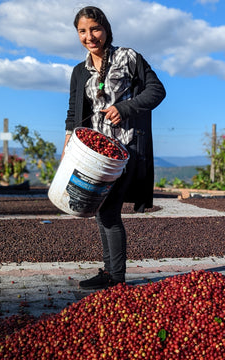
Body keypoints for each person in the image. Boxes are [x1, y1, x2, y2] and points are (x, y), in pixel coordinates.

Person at [63, 6, 166, 289]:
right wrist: (67, 148)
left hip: (126, 148)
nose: (89, 36)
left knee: (107, 210)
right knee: (100, 210)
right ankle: (110, 272)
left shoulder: (128, 58)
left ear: (106, 28)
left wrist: (125, 107)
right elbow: (73, 115)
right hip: (95, 153)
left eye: (94, 29)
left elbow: (157, 91)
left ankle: (115, 277)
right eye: (82, 31)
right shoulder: (79, 71)